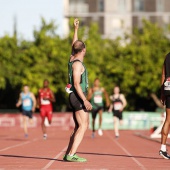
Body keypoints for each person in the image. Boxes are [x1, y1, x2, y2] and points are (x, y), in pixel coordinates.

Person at [63, 18, 92, 162]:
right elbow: (76, 83)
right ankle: (71, 154)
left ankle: (68, 152)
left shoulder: (71, 58)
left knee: (78, 126)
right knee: (84, 125)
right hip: (77, 95)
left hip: (74, 95)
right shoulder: (77, 65)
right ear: (84, 50)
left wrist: (75, 30)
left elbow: (73, 46)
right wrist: (85, 100)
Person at [160, 52, 170, 159]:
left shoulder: (167, 56)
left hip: (167, 88)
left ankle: (163, 148)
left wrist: (162, 93)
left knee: (168, 119)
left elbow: (163, 75)